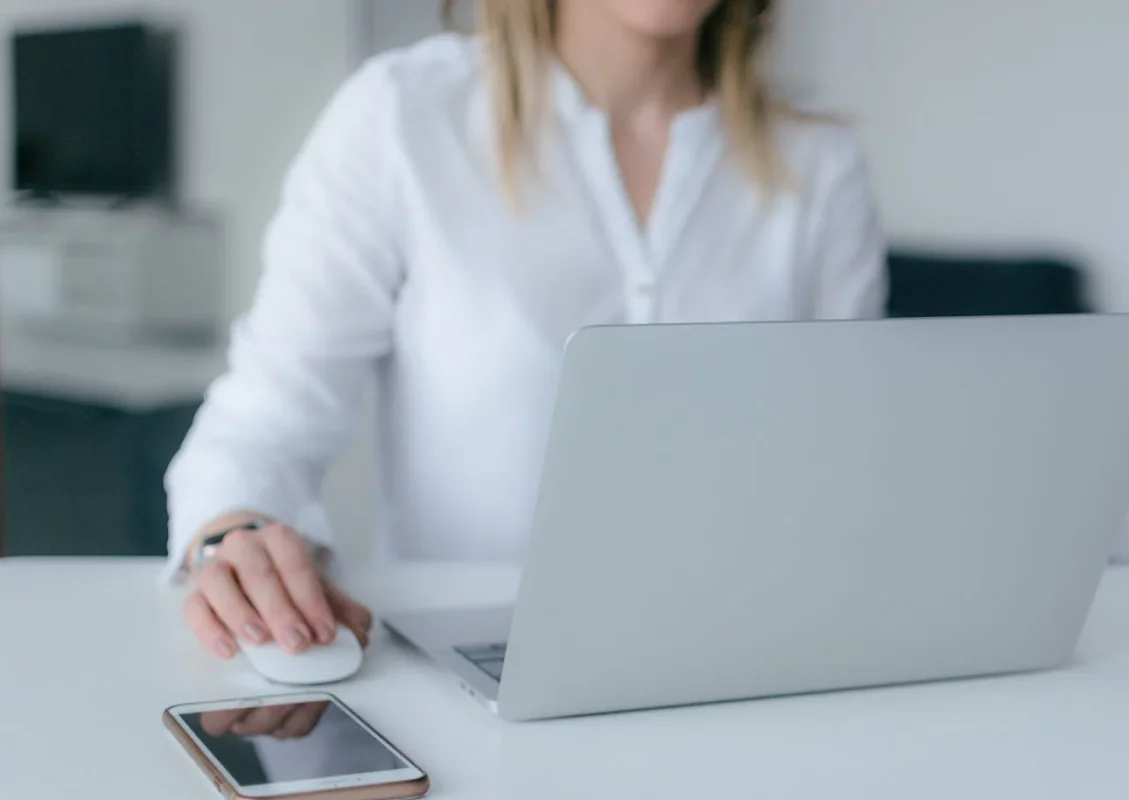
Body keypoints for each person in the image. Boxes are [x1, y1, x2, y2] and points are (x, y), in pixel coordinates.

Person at [165, 0, 888, 660]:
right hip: (468, 667)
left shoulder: (818, 164)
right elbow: (262, 427)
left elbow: (849, 475)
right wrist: (234, 538)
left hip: (743, 663)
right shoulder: (402, 118)